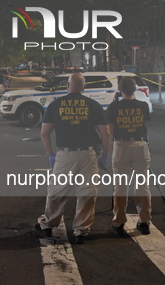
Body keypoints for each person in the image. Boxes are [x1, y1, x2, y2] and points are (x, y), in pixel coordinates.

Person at [34, 73, 111, 244]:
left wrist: (51, 154)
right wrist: (105, 155)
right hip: (88, 154)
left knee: (57, 191)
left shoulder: (56, 105)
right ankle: (81, 231)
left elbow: (44, 133)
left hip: (65, 154)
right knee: (87, 193)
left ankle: (48, 225)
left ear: (67, 86)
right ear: (84, 88)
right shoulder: (93, 105)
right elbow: (105, 134)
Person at [107, 77, 152, 237]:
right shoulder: (143, 106)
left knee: (120, 186)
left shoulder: (114, 107)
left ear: (120, 90)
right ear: (135, 89)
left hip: (121, 146)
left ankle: (119, 222)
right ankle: (145, 221)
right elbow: (145, 123)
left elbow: (110, 131)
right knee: (142, 184)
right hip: (140, 146)